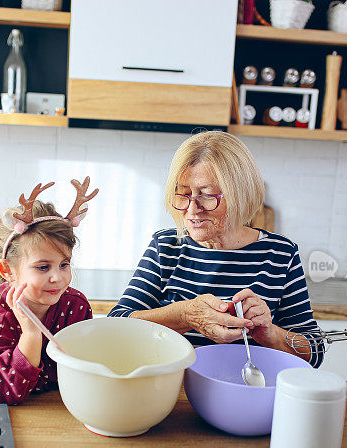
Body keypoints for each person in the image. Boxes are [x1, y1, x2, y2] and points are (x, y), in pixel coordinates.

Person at [108, 131, 323, 366]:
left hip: (248, 393)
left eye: (207, 195)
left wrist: (270, 334)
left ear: (240, 195)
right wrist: (184, 315)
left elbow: (314, 351)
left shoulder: (281, 254)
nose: (191, 209)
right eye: (184, 193)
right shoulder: (166, 247)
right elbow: (116, 325)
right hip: (170, 390)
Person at [0, 178, 99, 404]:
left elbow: (82, 368)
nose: (58, 277)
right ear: (8, 270)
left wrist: (2, 384)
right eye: (43, 267)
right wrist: (31, 333)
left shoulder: (76, 306)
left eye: (64, 264)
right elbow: (8, 393)